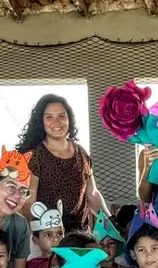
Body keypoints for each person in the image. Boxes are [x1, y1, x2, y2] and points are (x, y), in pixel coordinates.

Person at [17, 94, 109, 232]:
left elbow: (92, 194)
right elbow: (29, 201)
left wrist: (111, 223)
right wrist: (37, 235)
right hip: (48, 236)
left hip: (80, 235)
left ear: (69, 119)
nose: (56, 122)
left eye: (61, 116)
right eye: (49, 117)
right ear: (41, 122)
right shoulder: (34, 156)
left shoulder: (82, 153)